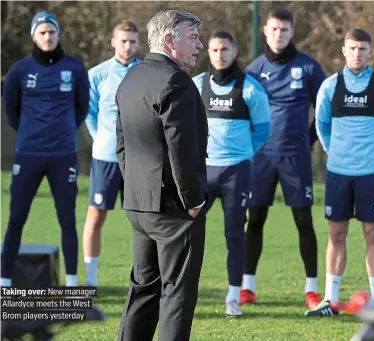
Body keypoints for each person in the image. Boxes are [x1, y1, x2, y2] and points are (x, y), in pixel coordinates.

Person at [115, 10, 207, 341]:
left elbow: (121, 146)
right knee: (177, 296)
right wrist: (193, 200)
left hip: (140, 205)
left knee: (143, 290)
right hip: (174, 210)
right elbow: (180, 149)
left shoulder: (131, 78)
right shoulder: (176, 81)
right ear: (170, 40)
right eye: (192, 37)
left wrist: (137, 190)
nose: (200, 44)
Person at [305, 29, 374, 317]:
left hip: (370, 173)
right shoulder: (330, 86)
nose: (357, 53)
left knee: (373, 233)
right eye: (352, 48)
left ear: (371, 52)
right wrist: (335, 151)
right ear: (343, 51)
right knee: (337, 233)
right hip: (338, 172)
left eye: (363, 48)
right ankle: (330, 301)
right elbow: (321, 124)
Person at [240, 7, 327, 309]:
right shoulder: (253, 71)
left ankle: (312, 290)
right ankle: (247, 287)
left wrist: (310, 140)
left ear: (292, 33)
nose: (279, 35)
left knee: (303, 220)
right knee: (255, 220)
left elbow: (324, 109)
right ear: (265, 31)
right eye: (274, 29)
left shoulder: (310, 68)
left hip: (295, 158)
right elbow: (244, 114)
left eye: (285, 30)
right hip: (261, 158)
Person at [1, 11, 89, 287]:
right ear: (34, 36)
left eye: (52, 32)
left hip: (64, 156)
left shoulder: (75, 68)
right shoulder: (19, 70)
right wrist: (32, 134)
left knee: (67, 219)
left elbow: (81, 108)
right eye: (42, 32)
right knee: (16, 218)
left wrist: (62, 133)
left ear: (59, 34)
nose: (48, 37)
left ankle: (72, 284)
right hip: (28, 154)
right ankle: (4, 283)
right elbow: (11, 112)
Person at [192, 31, 271, 317]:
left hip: (236, 173)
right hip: (202, 171)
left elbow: (263, 131)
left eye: (224, 49)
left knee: (235, 234)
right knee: (187, 231)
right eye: (214, 50)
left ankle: (233, 297)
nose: (219, 54)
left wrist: (241, 153)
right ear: (208, 52)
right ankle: (182, 290)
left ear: (235, 51)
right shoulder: (197, 84)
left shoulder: (250, 89)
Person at [82, 20, 141, 287]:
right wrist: (102, 140)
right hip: (106, 158)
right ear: (113, 42)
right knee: (96, 215)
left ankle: (143, 279)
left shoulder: (147, 72)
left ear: (139, 43)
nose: (127, 46)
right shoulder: (97, 74)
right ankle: (91, 280)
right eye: (123, 40)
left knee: (143, 221)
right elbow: (90, 113)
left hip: (140, 160)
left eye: (132, 41)